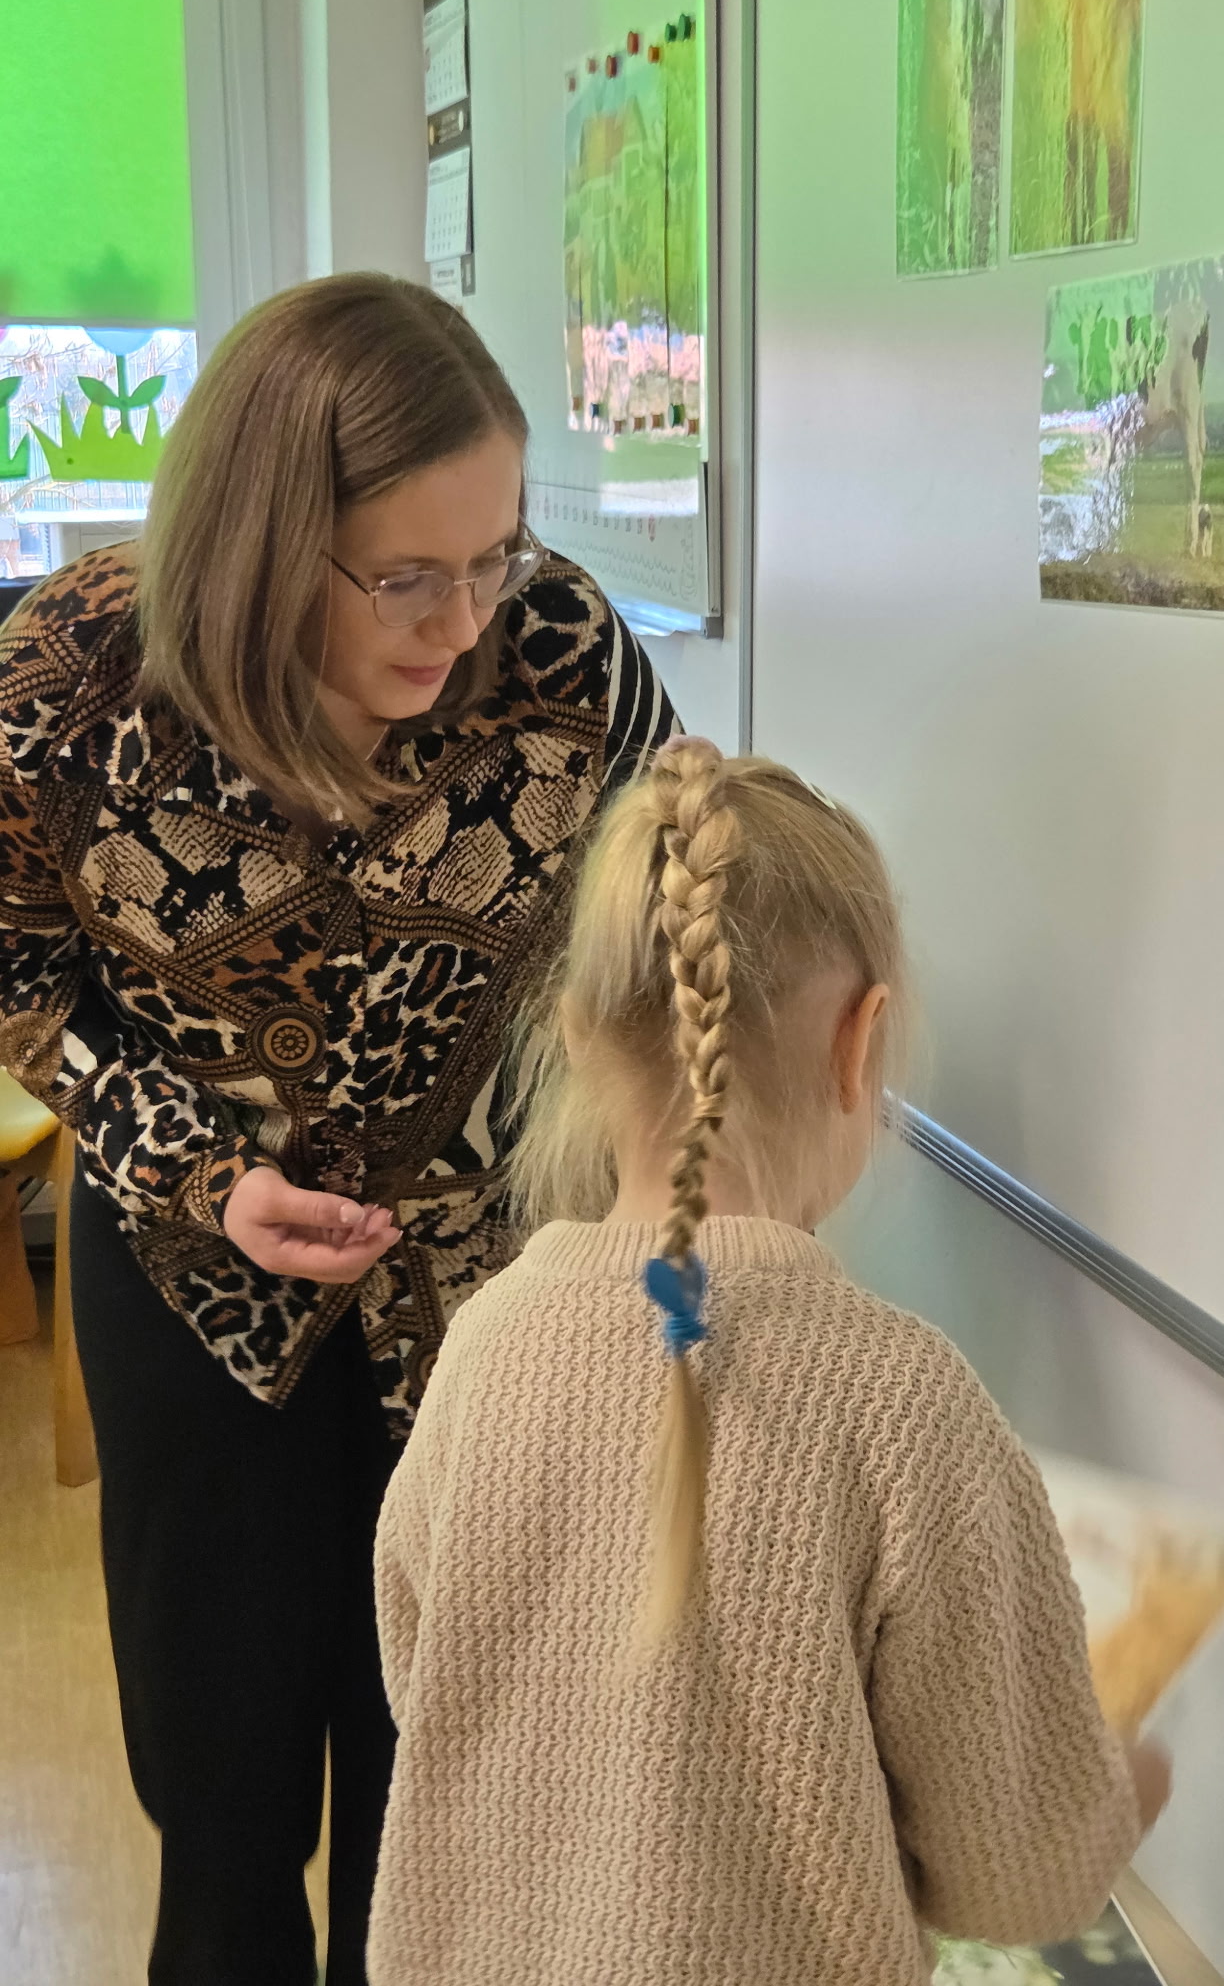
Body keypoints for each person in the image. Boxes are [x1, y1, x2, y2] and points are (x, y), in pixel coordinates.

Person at [0, 273, 676, 1985]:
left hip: (479, 1305)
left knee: (437, 1790)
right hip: (192, 1290)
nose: (465, 619)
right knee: (219, 1809)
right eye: (406, 574)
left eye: (495, 553)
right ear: (256, 542)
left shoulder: (564, 655)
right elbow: (12, 979)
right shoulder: (67, 682)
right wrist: (197, 1171)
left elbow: (679, 901)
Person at [369, 741, 1171, 1986]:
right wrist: (1126, 1784)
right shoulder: (904, 1401)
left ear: (576, 1036)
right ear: (862, 1040)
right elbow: (1015, 1879)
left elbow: (428, 1690)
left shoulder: (482, 1347)